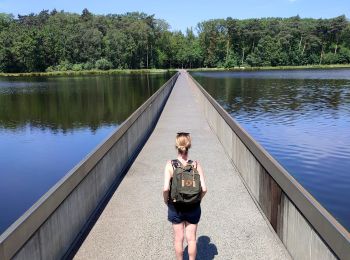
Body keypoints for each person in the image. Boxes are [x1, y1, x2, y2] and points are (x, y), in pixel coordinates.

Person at [163, 132, 207, 260]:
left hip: (175, 207)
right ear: (189, 146)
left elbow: (166, 188)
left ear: (176, 146)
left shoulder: (170, 164)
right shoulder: (196, 165)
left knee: (178, 239)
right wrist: (197, 200)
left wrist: (167, 201)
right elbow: (204, 189)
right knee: (192, 239)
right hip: (193, 206)